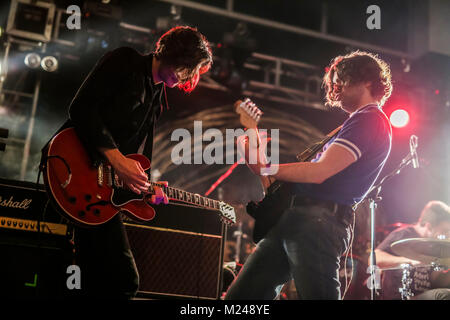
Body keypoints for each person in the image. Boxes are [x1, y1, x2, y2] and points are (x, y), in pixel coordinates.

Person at [43, 26, 212, 299]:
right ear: (173, 52)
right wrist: (116, 159)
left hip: (99, 192)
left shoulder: (158, 99)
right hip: (73, 167)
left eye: (192, 71)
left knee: (93, 278)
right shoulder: (126, 60)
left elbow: (129, 158)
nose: (187, 76)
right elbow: (81, 108)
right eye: (186, 66)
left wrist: (144, 188)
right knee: (122, 278)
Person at [225, 51, 393, 300]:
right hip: (294, 219)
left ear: (368, 80)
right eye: (333, 83)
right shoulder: (351, 125)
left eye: (342, 80)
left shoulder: (369, 119)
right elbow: (276, 183)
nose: (335, 88)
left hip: (318, 223)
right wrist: (255, 152)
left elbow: (319, 172)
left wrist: (265, 166)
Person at [376, 201, 450, 300]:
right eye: (444, 231)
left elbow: (436, 281)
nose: (447, 235)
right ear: (429, 226)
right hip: (400, 296)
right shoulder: (403, 235)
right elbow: (374, 258)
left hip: (424, 295)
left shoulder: (434, 246)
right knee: (443, 295)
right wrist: (408, 261)